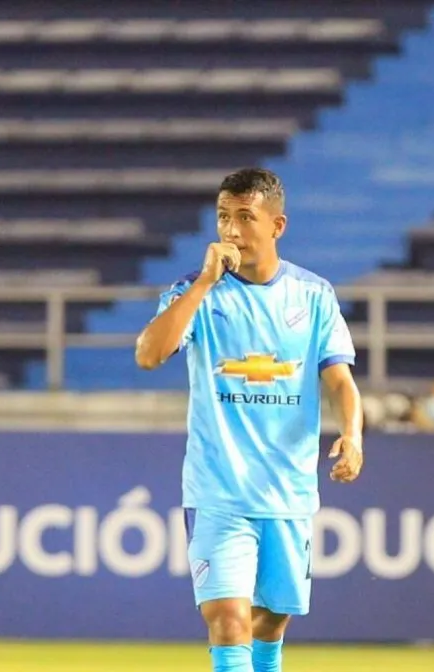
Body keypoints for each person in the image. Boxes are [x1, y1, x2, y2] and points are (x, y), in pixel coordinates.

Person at [134, 168, 364, 672]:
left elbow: (340, 380)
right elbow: (149, 355)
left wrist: (352, 434)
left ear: (277, 226)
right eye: (223, 217)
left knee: (271, 621)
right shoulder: (194, 291)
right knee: (229, 620)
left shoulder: (313, 294)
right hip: (218, 491)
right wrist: (203, 284)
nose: (231, 230)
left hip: (287, 491)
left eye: (244, 217)